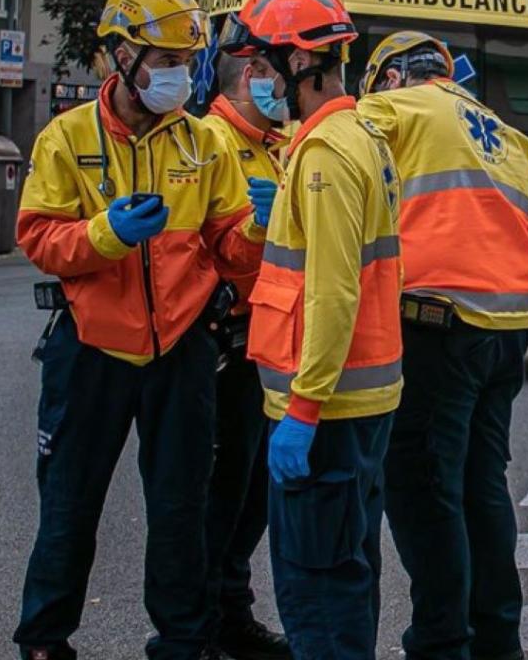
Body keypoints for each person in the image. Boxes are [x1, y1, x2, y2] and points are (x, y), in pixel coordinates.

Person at [13, 0, 268, 660]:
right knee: (69, 507)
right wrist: (106, 236)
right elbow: (39, 240)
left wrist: (260, 233)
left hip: (182, 351)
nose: (178, 77)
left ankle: (183, 641)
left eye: (187, 64)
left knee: (181, 511)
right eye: (164, 63)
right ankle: (44, 640)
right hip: (91, 349)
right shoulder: (66, 138)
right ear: (117, 57)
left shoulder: (203, 144)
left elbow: (230, 251)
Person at [219, 0, 402, 660]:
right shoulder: (359, 136)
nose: (256, 82)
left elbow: (332, 293)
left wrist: (301, 408)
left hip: (326, 406)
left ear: (304, 64)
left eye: (264, 67)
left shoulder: (325, 153)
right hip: (361, 400)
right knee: (348, 572)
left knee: (316, 590)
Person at [358, 31, 528, 660]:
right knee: (479, 487)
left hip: (437, 324)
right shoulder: (507, 137)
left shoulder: (393, 108)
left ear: (388, 77)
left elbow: (330, 158)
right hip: (504, 331)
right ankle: (497, 639)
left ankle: (441, 644)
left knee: (422, 490)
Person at [197, 54, 292, 659]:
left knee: (254, 491)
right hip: (226, 336)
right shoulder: (212, 140)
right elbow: (211, 242)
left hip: (269, 334)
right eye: (278, 80)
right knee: (221, 490)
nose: (283, 90)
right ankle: (200, 624)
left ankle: (232, 612)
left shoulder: (272, 144)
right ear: (252, 75)